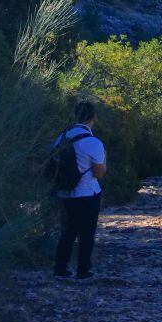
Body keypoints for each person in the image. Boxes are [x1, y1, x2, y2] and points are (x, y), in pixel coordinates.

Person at [53, 101, 107, 279]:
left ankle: (60, 268)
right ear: (93, 117)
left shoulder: (61, 137)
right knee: (86, 232)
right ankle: (83, 269)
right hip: (88, 192)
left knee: (68, 231)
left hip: (66, 192)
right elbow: (99, 173)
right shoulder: (93, 142)